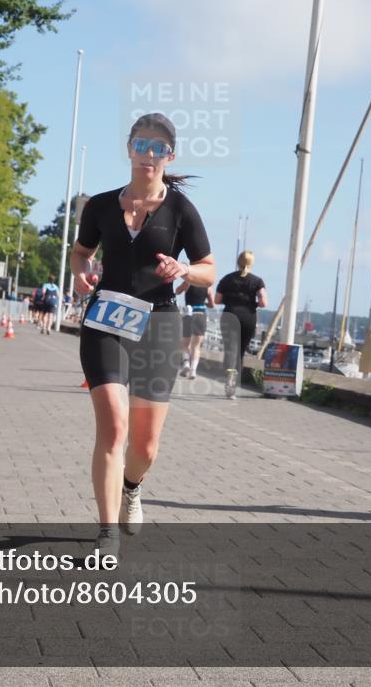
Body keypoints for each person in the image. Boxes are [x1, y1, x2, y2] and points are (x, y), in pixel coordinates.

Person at [70, 112, 215, 555]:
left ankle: (132, 487)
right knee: (113, 428)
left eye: (158, 149)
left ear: (169, 156)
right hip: (106, 321)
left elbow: (209, 272)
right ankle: (106, 533)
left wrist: (185, 269)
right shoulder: (100, 206)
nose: (148, 156)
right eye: (141, 146)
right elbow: (80, 253)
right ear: (129, 148)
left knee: (145, 445)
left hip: (159, 325)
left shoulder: (180, 210)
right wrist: (81, 274)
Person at [216, 251, 267, 399]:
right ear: (252, 264)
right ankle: (234, 382)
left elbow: (217, 300)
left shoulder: (227, 279)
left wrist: (230, 298)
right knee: (241, 351)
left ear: (238, 262)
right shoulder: (257, 281)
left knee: (230, 349)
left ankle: (229, 377)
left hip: (229, 315)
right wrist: (252, 302)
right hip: (248, 317)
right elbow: (264, 302)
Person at [174, 279, 214, 379]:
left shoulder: (188, 283)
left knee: (185, 344)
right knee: (196, 346)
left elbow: (177, 291)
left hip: (188, 315)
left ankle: (186, 364)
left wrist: (184, 285)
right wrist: (203, 303)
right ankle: (193, 371)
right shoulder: (208, 286)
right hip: (200, 316)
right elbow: (212, 304)